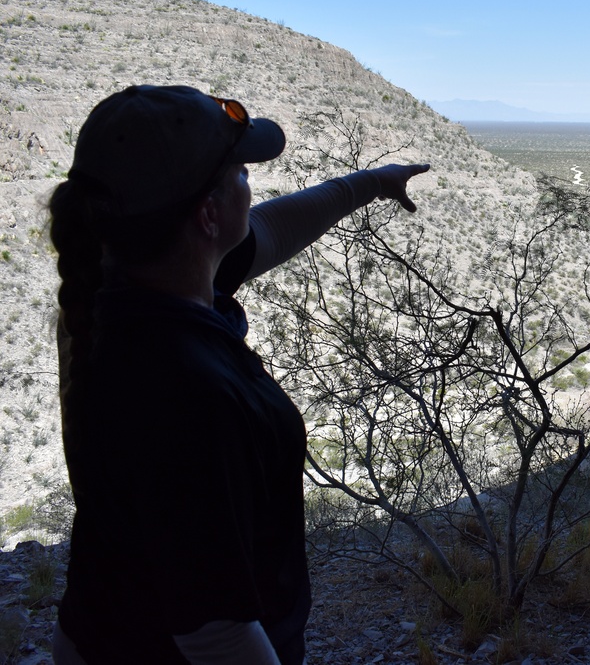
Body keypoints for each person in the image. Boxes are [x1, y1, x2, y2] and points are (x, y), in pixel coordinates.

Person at [48, 84, 429, 664]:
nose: (252, 187)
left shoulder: (128, 292)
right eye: (241, 174)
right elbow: (215, 633)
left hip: (106, 634)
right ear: (208, 215)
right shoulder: (183, 389)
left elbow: (275, 229)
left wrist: (373, 183)